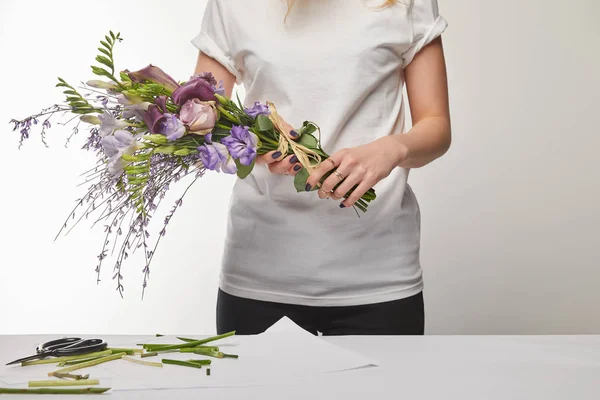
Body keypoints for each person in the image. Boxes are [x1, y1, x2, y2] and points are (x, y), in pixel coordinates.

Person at [191, 0, 451, 335]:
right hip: (260, 277)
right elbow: (197, 118)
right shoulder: (232, 6)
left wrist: (391, 149)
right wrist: (256, 140)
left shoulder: (405, 4)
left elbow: (437, 126)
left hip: (379, 277)